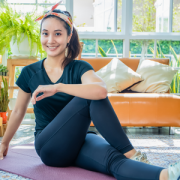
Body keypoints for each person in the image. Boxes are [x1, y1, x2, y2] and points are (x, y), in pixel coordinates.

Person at [0, 1, 180, 180]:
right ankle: (131, 152)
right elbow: (18, 111)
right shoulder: (30, 72)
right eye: (45, 34)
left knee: (112, 158)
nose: (50, 40)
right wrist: (5, 142)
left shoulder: (80, 67)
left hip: (80, 140)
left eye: (58, 34)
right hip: (49, 147)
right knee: (86, 96)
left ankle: (166, 176)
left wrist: (58, 87)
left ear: (69, 37)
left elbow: (101, 91)